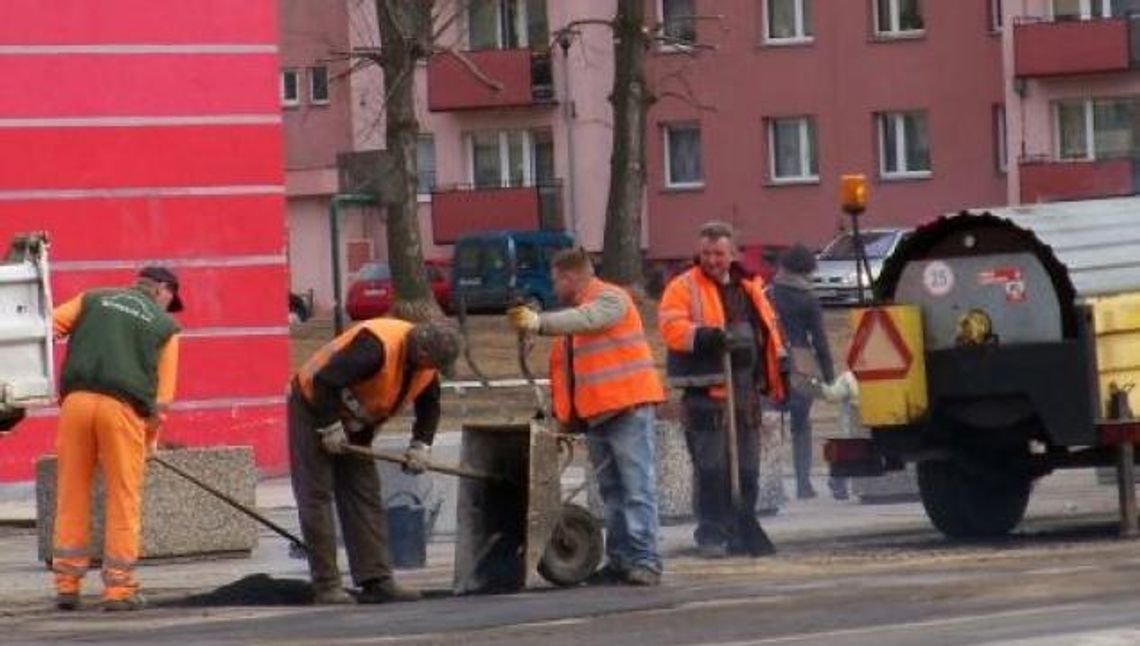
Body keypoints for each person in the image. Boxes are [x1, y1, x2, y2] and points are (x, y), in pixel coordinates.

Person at [507, 248, 666, 585]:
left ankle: (646, 560)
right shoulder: (577, 316)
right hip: (599, 415)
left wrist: (539, 323)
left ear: (570, 277)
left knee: (636, 489)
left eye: (555, 280)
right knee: (612, 493)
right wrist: (565, 417)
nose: (553, 288)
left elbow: (589, 320)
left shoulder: (610, 300)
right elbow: (571, 373)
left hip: (628, 409)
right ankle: (622, 560)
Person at [289, 318, 460, 604]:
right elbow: (324, 380)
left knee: (364, 493)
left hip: (356, 421)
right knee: (316, 494)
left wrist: (421, 446)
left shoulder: (425, 367)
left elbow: (429, 406)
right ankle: (327, 585)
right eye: (435, 365)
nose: (435, 372)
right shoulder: (375, 347)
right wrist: (330, 426)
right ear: (424, 354)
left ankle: (376, 580)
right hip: (313, 406)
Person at [51, 267, 184, 611]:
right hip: (122, 411)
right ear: (164, 291)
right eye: (172, 300)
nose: (171, 308)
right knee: (123, 497)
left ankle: (67, 585)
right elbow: (161, 402)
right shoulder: (166, 328)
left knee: (72, 490)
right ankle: (119, 590)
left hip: (76, 404)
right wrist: (150, 440)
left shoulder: (92, 298)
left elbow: (47, 326)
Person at [659, 221, 788, 558]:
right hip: (707, 391)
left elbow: (769, 329)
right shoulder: (683, 286)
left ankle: (742, 522)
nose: (713, 260)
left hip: (746, 392)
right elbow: (671, 327)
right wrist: (706, 337)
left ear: (733, 254)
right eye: (706, 253)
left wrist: (779, 363)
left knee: (747, 467)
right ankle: (712, 532)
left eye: (718, 253)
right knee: (711, 466)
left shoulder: (750, 287)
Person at [767, 244, 848, 500]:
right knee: (801, 425)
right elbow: (820, 340)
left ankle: (770, 486)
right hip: (802, 362)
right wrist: (829, 375)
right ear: (806, 271)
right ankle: (803, 484)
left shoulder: (768, 293)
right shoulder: (808, 298)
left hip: (771, 359)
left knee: (768, 423)